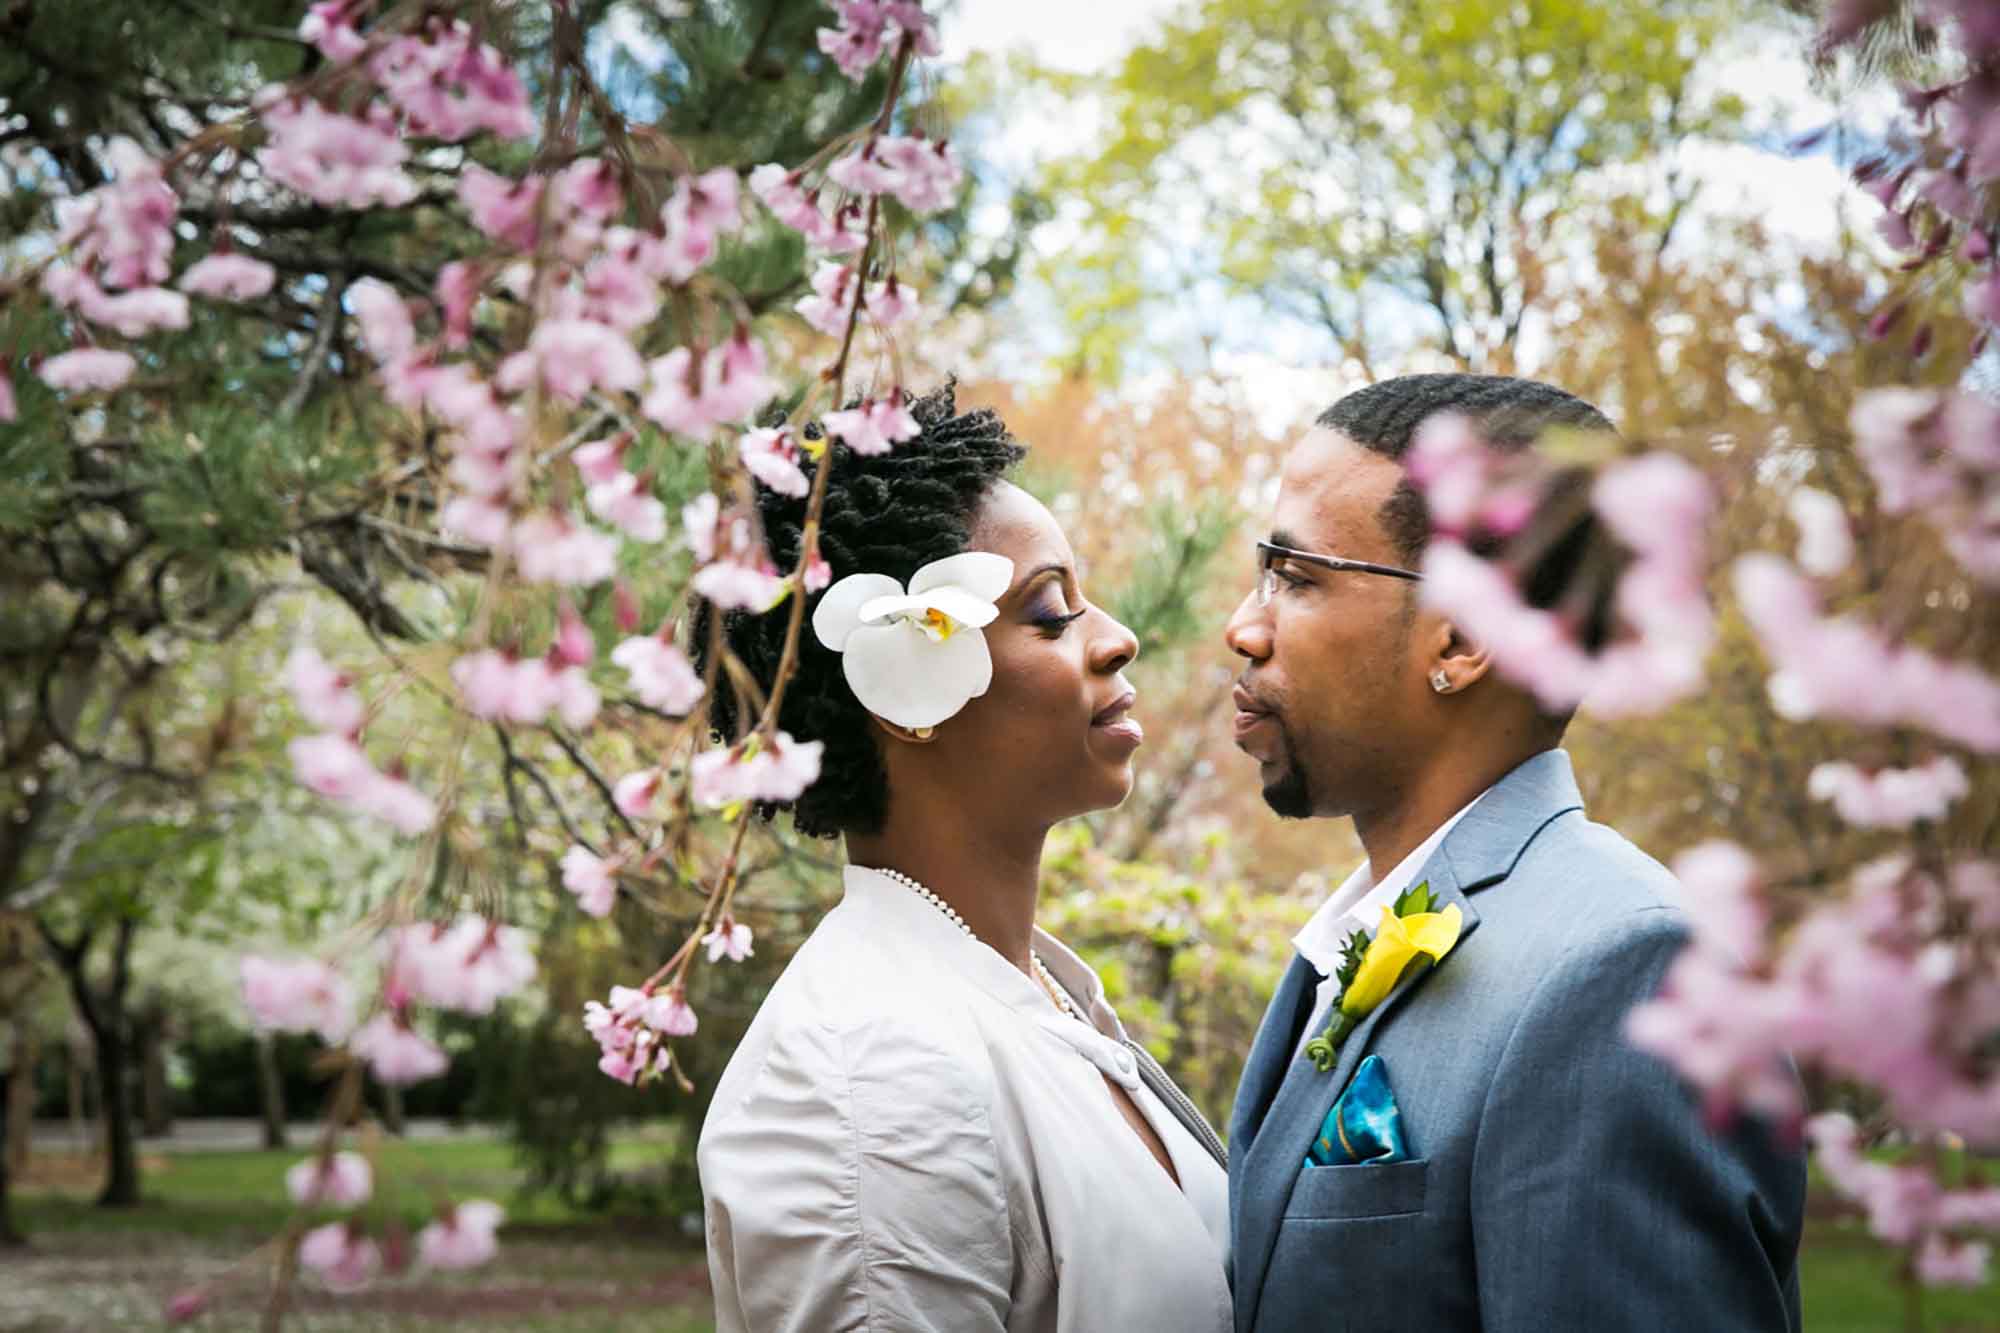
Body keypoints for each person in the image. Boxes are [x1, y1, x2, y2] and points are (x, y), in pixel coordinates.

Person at [1222, 373, 1806, 1332]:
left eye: (1297, 576)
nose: (1244, 627)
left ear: (1461, 640)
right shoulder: (1361, 930)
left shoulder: (1632, 974)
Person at [695, 382, 1231, 1333]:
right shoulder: (866, 1085)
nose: (1117, 638)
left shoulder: (1039, 1001)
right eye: (1053, 610)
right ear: (906, 688)